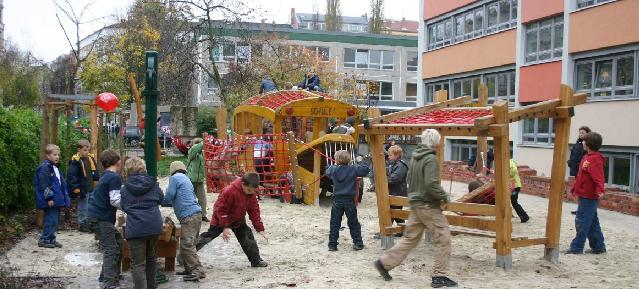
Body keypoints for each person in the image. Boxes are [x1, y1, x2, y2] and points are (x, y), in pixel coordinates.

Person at [374, 129, 457, 288]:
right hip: (429, 206)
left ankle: (384, 263)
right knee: (444, 238)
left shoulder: (415, 158)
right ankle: (440, 275)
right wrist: (444, 197)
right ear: (435, 143)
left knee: (409, 239)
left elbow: (410, 181)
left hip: (416, 204)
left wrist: (413, 199)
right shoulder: (431, 159)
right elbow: (431, 184)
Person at [196, 173, 269, 268]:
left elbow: (254, 210)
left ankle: (256, 261)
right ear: (243, 184)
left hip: (238, 220)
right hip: (220, 218)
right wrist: (225, 226)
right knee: (209, 236)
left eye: (253, 191)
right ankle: (188, 253)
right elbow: (220, 210)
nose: (250, 192)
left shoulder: (251, 193)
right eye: (248, 190)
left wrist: (260, 228)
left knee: (247, 237)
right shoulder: (229, 191)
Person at [119, 157, 164, 289]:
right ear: (143, 169)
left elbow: (124, 206)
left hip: (136, 228)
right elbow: (161, 199)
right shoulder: (153, 184)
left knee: (138, 264)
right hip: (154, 225)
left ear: (127, 171)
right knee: (151, 260)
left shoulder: (125, 188)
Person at [163, 161, 206, 282]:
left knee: (187, 245)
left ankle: (197, 271)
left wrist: (161, 201)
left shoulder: (174, 178)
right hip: (197, 214)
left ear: (172, 170)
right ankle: (189, 269)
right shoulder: (186, 178)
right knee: (188, 244)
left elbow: (170, 195)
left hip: (188, 216)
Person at [566, 132, 607, 255]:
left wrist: (600, 189)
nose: (582, 142)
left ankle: (576, 248)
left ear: (588, 144)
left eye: (584, 141)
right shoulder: (587, 157)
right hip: (584, 195)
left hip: (589, 197)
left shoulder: (595, 159)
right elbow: (581, 177)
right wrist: (575, 188)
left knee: (582, 222)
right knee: (592, 222)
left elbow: (598, 177)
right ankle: (598, 246)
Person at [88, 149, 123, 289]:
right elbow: (115, 200)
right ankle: (110, 283)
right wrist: (129, 207)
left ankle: (107, 275)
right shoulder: (114, 177)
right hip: (102, 218)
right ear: (118, 162)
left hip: (95, 217)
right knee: (111, 249)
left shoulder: (106, 176)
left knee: (118, 241)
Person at [325, 150, 370, 251]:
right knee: (353, 222)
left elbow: (327, 171)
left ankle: (332, 245)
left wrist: (333, 165)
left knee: (335, 223)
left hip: (337, 200)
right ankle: (358, 243)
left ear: (336, 160)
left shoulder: (333, 169)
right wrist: (359, 162)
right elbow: (365, 170)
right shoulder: (353, 169)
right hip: (349, 200)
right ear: (349, 159)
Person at [35, 144, 71, 248]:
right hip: (51, 200)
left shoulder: (55, 168)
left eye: (58, 155)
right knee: (51, 219)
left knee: (55, 220)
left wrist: (65, 197)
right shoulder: (45, 168)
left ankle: (51, 238)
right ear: (48, 156)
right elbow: (44, 184)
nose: (57, 157)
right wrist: (49, 197)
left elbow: (61, 184)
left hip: (57, 199)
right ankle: (44, 239)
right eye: (54, 154)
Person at [67, 139, 100, 232]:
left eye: (88, 150)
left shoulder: (90, 158)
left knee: (90, 206)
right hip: (82, 189)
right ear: (79, 150)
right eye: (85, 150)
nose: (87, 152)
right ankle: (82, 223)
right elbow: (72, 176)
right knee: (82, 207)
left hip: (91, 187)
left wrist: (96, 179)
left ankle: (89, 222)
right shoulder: (75, 161)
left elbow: (95, 170)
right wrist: (75, 188)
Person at [387, 145, 408, 230]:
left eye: (390, 155)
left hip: (398, 193)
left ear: (397, 155)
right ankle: (401, 230)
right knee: (393, 213)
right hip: (393, 192)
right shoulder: (393, 164)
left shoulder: (401, 166)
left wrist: (384, 180)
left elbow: (395, 178)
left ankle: (388, 229)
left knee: (395, 213)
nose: (388, 157)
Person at [187, 137, 208, 222]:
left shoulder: (202, 153)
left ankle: (203, 215)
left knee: (202, 198)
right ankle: (190, 214)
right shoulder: (192, 151)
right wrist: (206, 139)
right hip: (191, 179)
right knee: (191, 198)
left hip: (199, 180)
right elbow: (198, 146)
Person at [510, 159, 529, 223]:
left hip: (514, 186)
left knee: (514, 202)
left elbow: (513, 171)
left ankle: (524, 217)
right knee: (513, 202)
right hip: (513, 185)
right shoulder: (509, 162)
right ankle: (524, 216)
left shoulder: (509, 162)